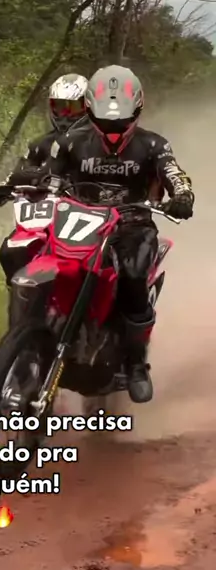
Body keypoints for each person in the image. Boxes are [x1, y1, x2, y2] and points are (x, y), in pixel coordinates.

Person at [44, 64, 194, 403]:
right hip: (78, 220)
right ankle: (30, 330)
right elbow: (49, 177)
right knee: (41, 254)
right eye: (105, 122)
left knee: (133, 276)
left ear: (137, 110)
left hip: (133, 225)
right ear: (90, 110)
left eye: (121, 123)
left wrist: (183, 195)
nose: (113, 131)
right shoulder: (69, 143)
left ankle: (136, 364)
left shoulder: (154, 144)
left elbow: (174, 174)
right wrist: (26, 188)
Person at [0, 74, 88, 326]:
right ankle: (21, 313)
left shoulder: (97, 145)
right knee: (10, 251)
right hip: (45, 215)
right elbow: (17, 175)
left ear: (88, 107)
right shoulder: (39, 145)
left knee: (102, 264)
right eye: (60, 106)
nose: (66, 114)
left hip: (88, 216)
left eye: (73, 107)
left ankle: (107, 318)